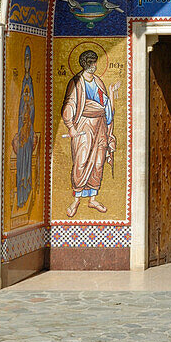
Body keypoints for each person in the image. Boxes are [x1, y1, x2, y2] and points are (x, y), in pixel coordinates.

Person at [61, 50, 118, 218]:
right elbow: (70, 104)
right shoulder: (76, 82)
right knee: (81, 160)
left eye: (95, 62)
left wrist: (112, 94)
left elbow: (105, 104)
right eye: (92, 62)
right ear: (85, 63)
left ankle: (93, 198)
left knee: (98, 162)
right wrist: (71, 126)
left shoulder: (98, 82)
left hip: (100, 125)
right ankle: (76, 199)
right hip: (84, 125)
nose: (94, 65)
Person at [13, 44, 35, 209]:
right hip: (22, 136)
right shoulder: (24, 84)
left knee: (26, 164)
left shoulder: (29, 83)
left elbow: (30, 112)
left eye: (29, 59)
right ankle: (20, 194)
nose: (27, 62)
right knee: (21, 163)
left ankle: (25, 192)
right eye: (25, 59)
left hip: (27, 136)